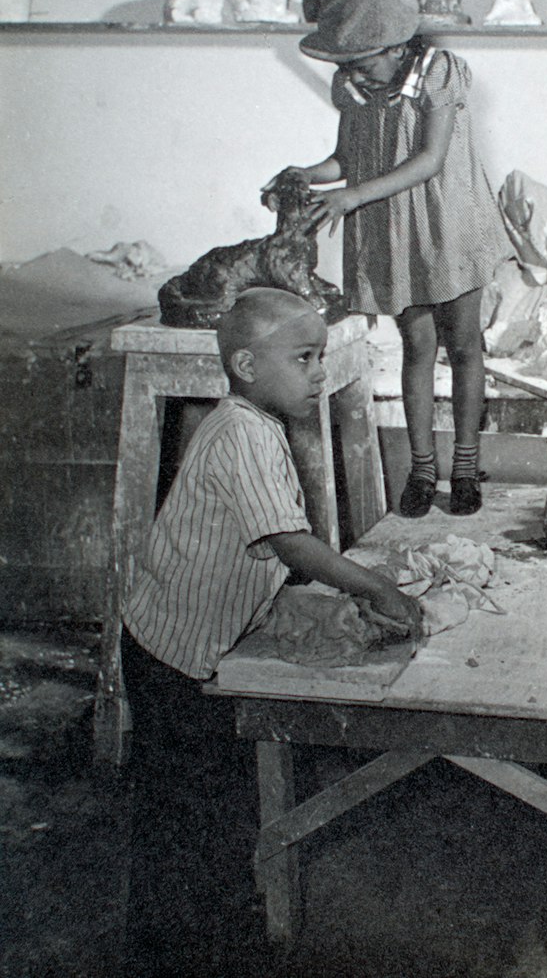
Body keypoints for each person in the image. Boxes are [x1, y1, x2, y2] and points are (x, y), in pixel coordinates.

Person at [121, 287, 421, 975]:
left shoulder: (258, 423)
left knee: (212, 815)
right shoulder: (241, 434)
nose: (320, 371)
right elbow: (289, 541)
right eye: (306, 357)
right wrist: (374, 584)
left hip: (196, 651)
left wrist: (322, 607)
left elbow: (265, 559)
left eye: (322, 356)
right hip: (168, 657)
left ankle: (213, 939)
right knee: (180, 821)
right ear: (249, 365)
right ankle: (171, 954)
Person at [265, 0, 512, 519]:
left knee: (465, 345)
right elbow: (346, 159)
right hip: (396, 230)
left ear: (397, 46)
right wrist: (306, 175)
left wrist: (350, 197)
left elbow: (429, 160)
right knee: (417, 347)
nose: (354, 72)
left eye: (362, 60)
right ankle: (423, 468)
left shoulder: (438, 73)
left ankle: (465, 466)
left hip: (449, 222)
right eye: (345, 63)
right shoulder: (354, 87)